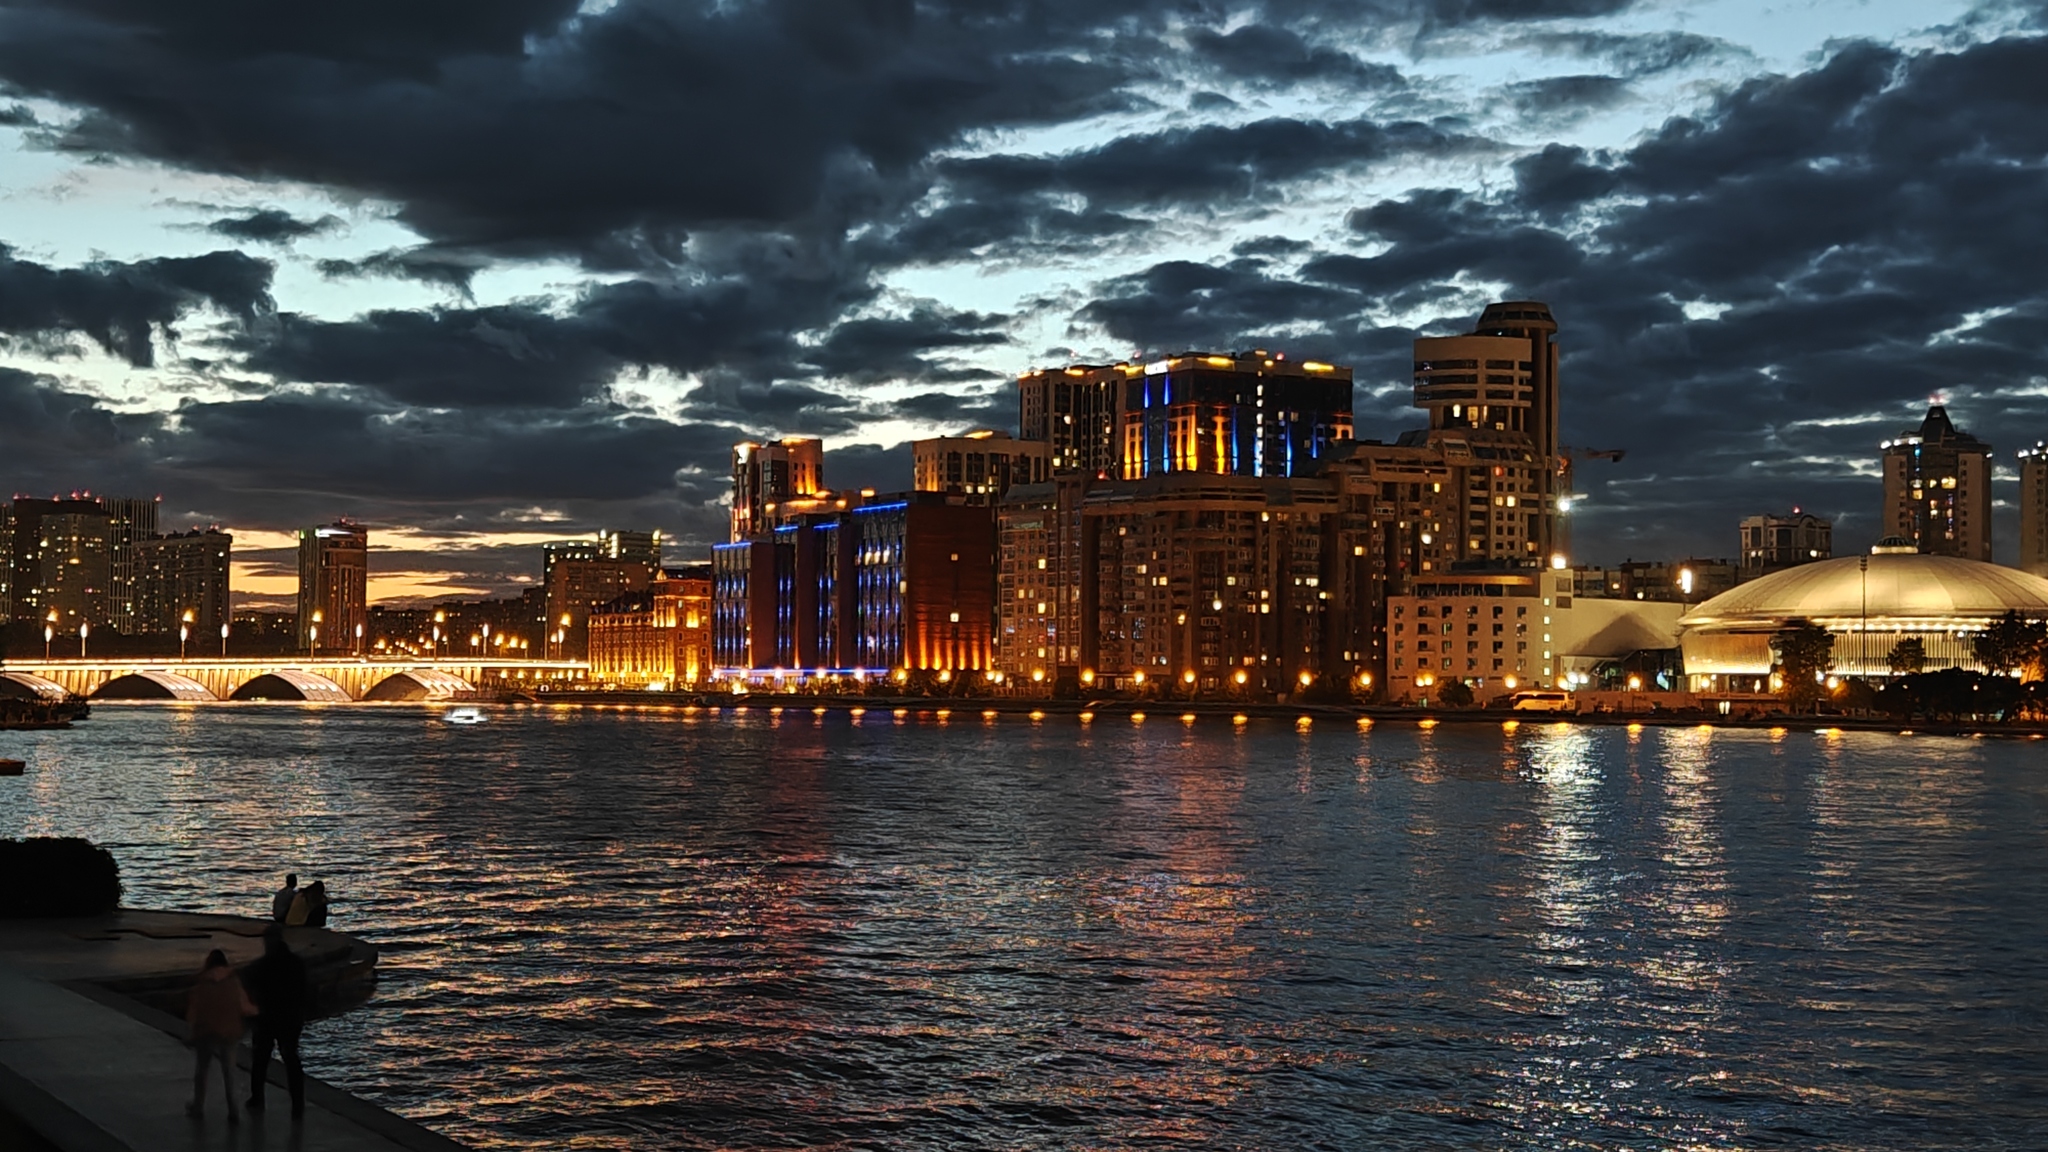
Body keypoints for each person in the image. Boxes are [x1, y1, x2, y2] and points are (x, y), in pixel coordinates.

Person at [243, 925, 312, 1117]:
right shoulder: (295, 963)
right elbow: (305, 990)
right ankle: (297, 1104)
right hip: (291, 1018)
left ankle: (257, 1099)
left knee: (261, 1059)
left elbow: (246, 979)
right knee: (291, 1059)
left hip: (267, 1017)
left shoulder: (262, 965)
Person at [185, 949, 255, 1121]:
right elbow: (245, 1007)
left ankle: (198, 1107)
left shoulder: (202, 983)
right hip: (229, 1031)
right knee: (229, 1072)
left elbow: (193, 1011)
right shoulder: (234, 982)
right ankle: (233, 1110)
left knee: (202, 1070)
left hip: (206, 1031)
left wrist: (190, 1032)